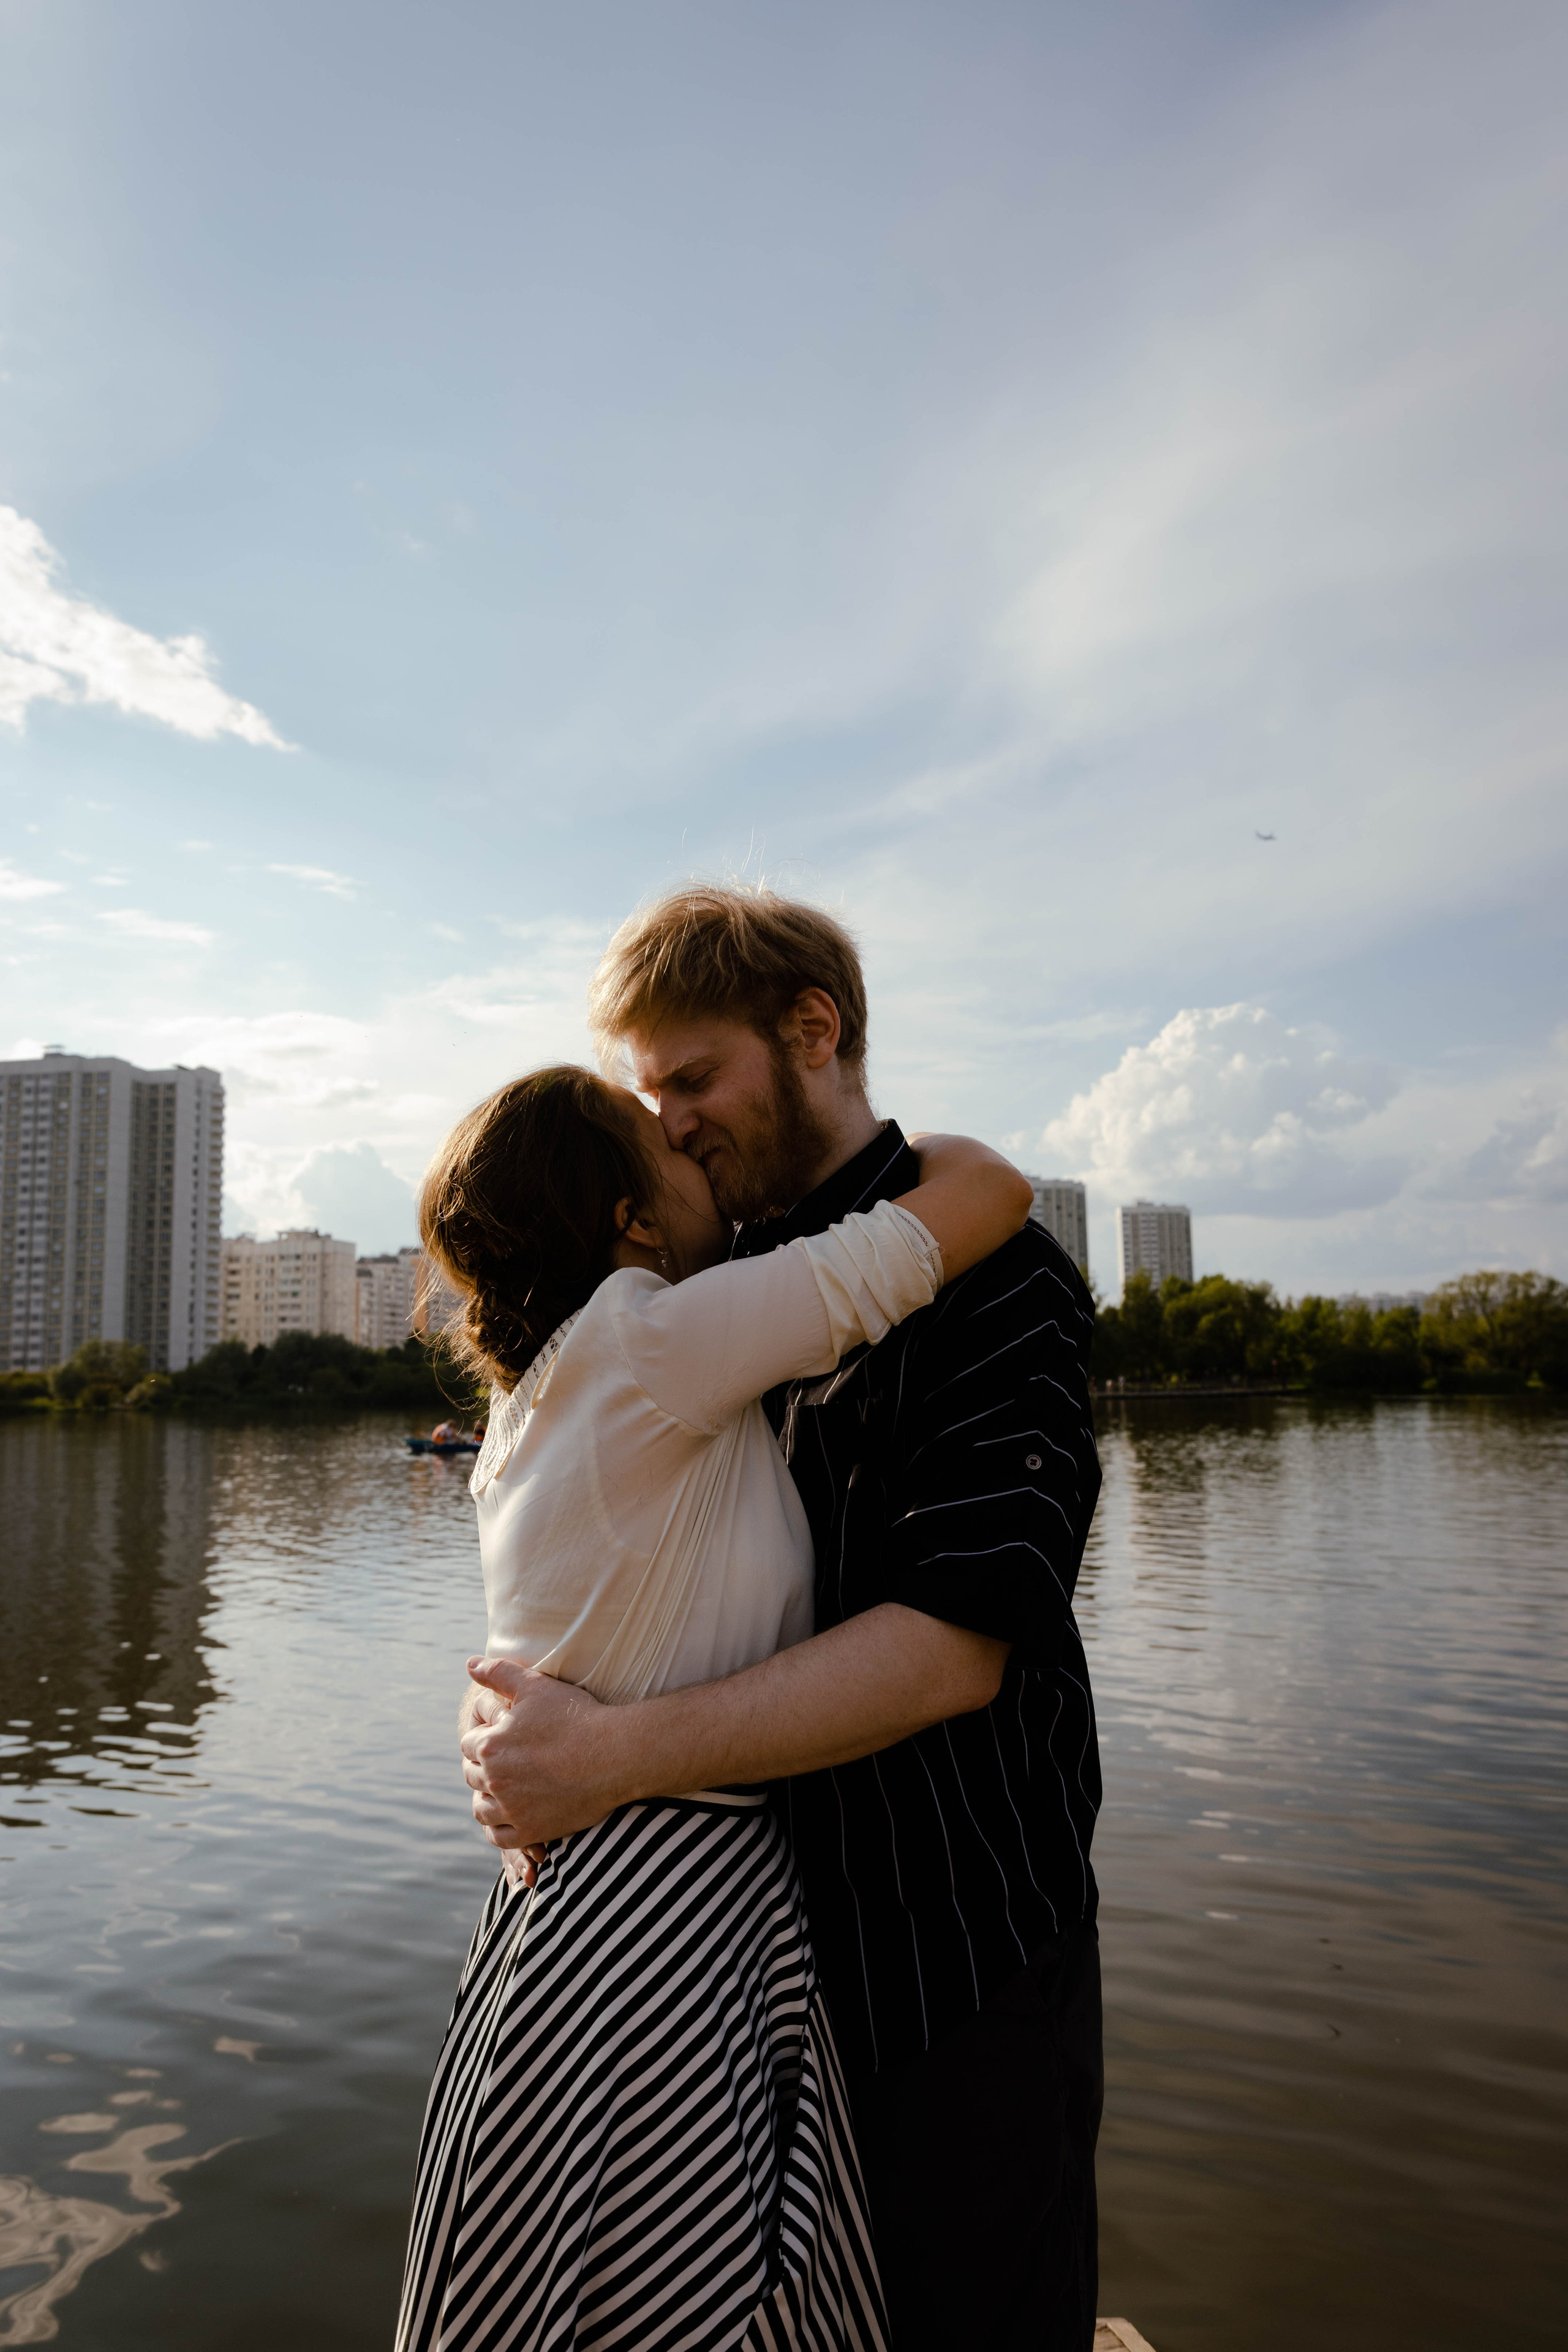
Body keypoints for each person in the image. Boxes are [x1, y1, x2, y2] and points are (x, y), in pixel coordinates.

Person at [461, 886, 1105, 2351]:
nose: (669, 1124)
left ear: (809, 1032)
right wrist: (514, 1711)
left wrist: (609, 1758)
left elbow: (951, 1644)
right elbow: (597, 1551)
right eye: (647, 1095)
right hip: (735, 1960)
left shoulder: (996, 1284)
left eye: (693, 1080)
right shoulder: (708, 1296)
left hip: (949, 1954)